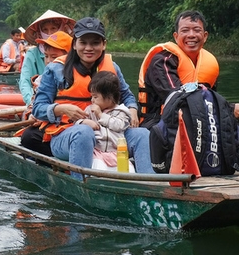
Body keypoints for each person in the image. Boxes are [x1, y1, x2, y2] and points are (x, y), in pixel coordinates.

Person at [30, 17, 153, 178]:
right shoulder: (55, 69)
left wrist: (132, 109)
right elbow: (38, 108)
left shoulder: (112, 68)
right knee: (83, 132)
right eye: (83, 42)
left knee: (142, 134)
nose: (89, 48)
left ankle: (148, 183)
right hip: (68, 135)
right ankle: (82, 185)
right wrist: (61, 109)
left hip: (110, 134)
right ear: (74, 44)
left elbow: (127, 96)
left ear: (104, 45)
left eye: (95, 43)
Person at [138, 10, 239, 128]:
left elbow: (210, 99)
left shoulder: (208, 63)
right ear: (176, 36)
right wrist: (229, 109)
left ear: (205, 36)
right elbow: (176, 99)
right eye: (185, 30)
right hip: (159, 124)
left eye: (197, 30)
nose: (191, 35)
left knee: (235, 126)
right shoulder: (162, 61)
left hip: (196, 121)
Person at [19, 10, 75, 104]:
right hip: (40, 101)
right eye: (45, 30)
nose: (50, 33)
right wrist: (32, 104)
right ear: (40, 32)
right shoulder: (32, 54)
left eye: (54, 28)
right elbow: (25, 82)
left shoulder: (72, 52)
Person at [82, 71, 133, 169]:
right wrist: (84, 122)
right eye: (91, 96)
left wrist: (101, 115)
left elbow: (118, 125)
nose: (92, 100)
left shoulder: (122, 111)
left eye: (95, 97)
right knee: (99, 169)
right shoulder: (90, 110)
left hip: (117, 153)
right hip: (97, 152)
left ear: (109, 97)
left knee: (129, 171)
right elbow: (77, 122)